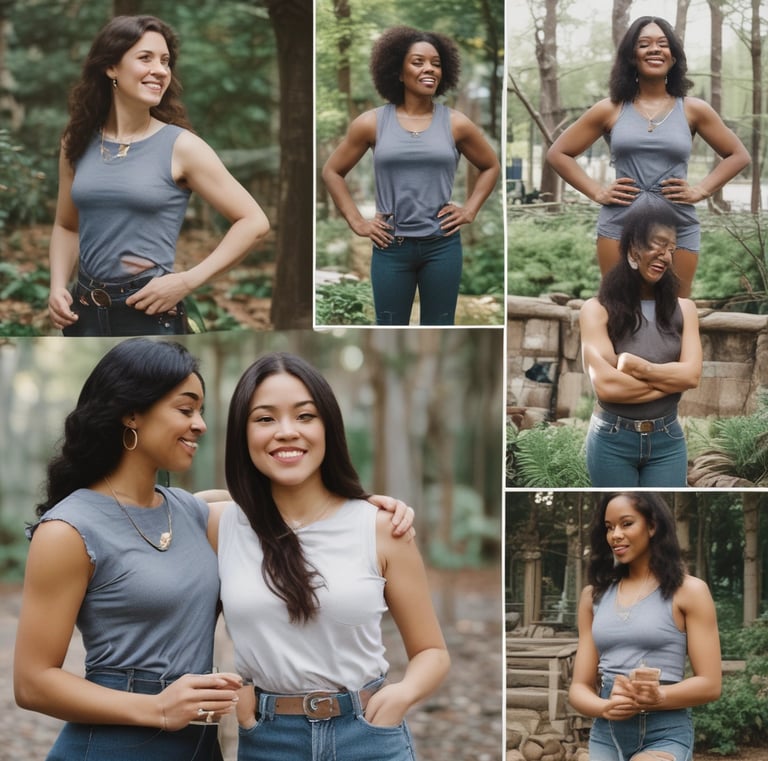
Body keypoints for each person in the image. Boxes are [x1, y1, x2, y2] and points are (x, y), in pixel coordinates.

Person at [13, 339, 414, 760]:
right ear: (131, 413)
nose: (201, 424)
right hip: (116, 742)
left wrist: (362, 506)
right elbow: (31, 682)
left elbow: (286, 507)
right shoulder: (67, 529)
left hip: (199, 745)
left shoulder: (190, 511)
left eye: (200, 411)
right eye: (186, 409)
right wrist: (157, 707)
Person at [212, 352, 451, 760]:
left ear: (329, 427)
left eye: (305, 416)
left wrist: (400, 697)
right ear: (242, 433)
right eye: (265, 418)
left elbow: (432, 651)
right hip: (268, 740)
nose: (286, 431)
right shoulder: (220, 525)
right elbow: (165, 506)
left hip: (368, 736)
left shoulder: (382, 529)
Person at [47, 15, 270, 336]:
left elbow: (254, 222)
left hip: (150, 311)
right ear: (111, 67)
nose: (160, 70)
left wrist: (186, 281)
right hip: (82, 313)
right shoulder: (76, 140)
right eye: (145, 58)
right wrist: (57, 287)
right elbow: (66, 225)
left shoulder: (182, 147)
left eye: (165, 61)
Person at [546, 15, 750, 298]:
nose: (655, 49)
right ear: (632, 55)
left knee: (674, 310)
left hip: (676, 220)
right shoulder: (610, 109)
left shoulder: (694, 109)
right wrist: (596, 191)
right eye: (644, 44)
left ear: (674, 56)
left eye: (663, 44)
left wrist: (701, 190)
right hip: (621, 220)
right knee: (618, 307)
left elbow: (738, 155)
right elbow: (559, 153)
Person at [321, 25, 499, 326]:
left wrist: (470, 210)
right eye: (418, 62)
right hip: (391, 247)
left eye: (436, 63)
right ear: (398, 71)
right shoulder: (371, 123)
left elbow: (490, 166)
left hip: (442, 246)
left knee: (441, 329)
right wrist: (357, 222)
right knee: (389, 328)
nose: (429, 68)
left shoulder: (456, 124)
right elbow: (332, 171)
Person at [571, 492, 721, 761]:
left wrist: (656, 696)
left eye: (626, 524)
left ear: (652, 526)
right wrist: (605, 707)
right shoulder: (592, 597)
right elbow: (579, 687)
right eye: (609, 527)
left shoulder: (690, 591)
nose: (615, 534)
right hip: (607, 734)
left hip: (665, 732)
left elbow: (710, 685)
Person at [579, 205, 702, 487]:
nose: (666, 256)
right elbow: (608, 388)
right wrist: (671, 381)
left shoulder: (686, 309)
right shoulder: (596, 310)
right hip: (612, 440)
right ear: (633, 248)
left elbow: (692, 376)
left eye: (672, 248)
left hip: (668, 440)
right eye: (658, 245)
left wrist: (638, 367)